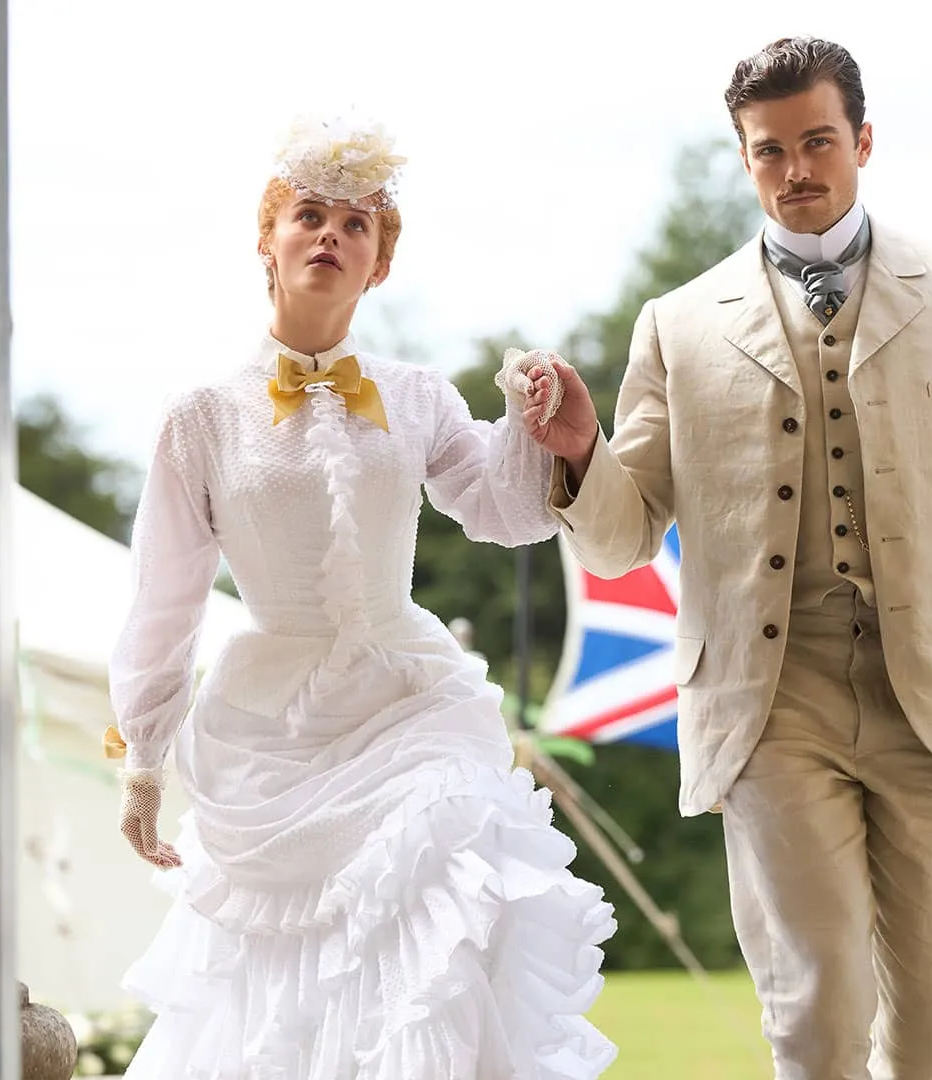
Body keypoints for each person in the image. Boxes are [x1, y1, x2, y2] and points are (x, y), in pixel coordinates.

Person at [531, 36, 932, 1080]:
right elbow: (621, 534)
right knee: (819, 1012)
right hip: (771, 701)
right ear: (746, 159)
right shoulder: (679, 326)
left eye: (817, 141)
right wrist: (579, 452)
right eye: (770, 150)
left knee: (928, 1025)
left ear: (863, 141)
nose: (796, 169)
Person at [100, 116, 616, 1079]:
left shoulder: (417, 395)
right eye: (309, 215)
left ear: (380, 266)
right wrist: (144, 757)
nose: (331, 235)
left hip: (411, 702)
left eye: (356, 225)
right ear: (267, 239)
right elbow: (164, 598)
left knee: (448, 878)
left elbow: (501, 511)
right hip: (270, 730)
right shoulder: (200, 417)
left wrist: (542, 431)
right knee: (284, 978)